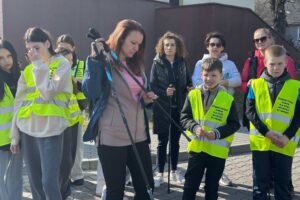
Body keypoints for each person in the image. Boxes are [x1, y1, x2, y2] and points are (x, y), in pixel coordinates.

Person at [83, 19, 156, 200]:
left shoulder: (137, 64)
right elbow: (91, 91)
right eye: (133, 43)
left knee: (146, 186)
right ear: (120, 38)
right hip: (112, 135)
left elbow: (138, 95)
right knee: (115, 191)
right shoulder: (102, 60)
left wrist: (146, 99)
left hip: (138, 134)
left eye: (139, 44)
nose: (136, 48)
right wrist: (95, 60)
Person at [10, 27, 72, 200]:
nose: (33, 52)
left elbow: (48, 92)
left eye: (37, 48)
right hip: (29, 130)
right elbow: (19, 103)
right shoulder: (28, 70)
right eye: (30, 49)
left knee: (48, 182)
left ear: (47, 43)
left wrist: (37, 65)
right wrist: (14, 135)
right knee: (35, 183)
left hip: (51, 131)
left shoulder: (60, 65)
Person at [241, 28, 297, 194]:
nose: (276, 67)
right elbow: (250, 112)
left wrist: (287, 136)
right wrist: (266, 132)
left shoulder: (296, 87)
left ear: (286, 63)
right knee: (260, 184)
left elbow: (298, 115)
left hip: (284, 142)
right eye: (272, 64)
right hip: (261, 141)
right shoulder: (256, 85)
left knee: (282, 184)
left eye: (280, 64)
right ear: (265, 63)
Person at [181, 58, 240, 200]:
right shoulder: (193, 95)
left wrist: (217, 133)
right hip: (197, 149)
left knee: (212, 188)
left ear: (221, 76)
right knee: (190, 186)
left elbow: (234, 124)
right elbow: (184, 117)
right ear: (201, 75)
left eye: (214, 75)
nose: (209, 78)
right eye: (206, 75)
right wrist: (194, 127)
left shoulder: (228, 99)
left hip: (216, 153)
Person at [191, 31, 241, 186]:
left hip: (223, 109)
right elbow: (195, 81)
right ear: (207, 46)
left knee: (219, 145)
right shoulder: (200, 63)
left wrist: (221, 83)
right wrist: (214, 84)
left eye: (218, 45)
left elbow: (238, 80)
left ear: (222, 48)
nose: (214, 47)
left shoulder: (229, 64)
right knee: (202, 143)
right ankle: (202, 175)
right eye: (211, 44)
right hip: (204, 107)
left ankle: (219, 174)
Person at [150, 31, 192, 187]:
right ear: (162, 46)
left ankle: (174, 171)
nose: (169, 47)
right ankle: (160, 172)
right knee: (162, 142)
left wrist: (189, 87)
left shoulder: (182, 62)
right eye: (166, 44)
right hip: (162, 108)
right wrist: (163, 92)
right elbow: (152, 85)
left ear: (177, 47)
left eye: (172, 45)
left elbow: (187, 80)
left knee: (175, 142)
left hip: (178, 108)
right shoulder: (157, 62)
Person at [56, 34, 86, 186]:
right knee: (63, 149)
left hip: (76, 112)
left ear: (73, 48)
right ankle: (65, 177)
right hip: (61, 113)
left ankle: (77, 174)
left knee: (77, 146)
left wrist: (76, 82)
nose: (65, 51)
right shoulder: (54, 65)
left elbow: (84, 85)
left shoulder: (80, 64)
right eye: (61, 48)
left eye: (67, 48)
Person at [0, 39, 22, 200]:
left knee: (16, 177)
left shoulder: (21, 76)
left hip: (18, 137)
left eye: (8, 56)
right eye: (1, 58)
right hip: (0, 139)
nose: (6, 61)